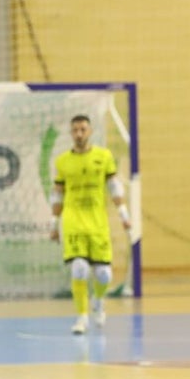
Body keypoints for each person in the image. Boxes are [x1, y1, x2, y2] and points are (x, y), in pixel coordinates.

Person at [49, 114, 131, 334]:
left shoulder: (103, 157)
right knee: (79, 269)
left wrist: (123, 213)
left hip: (97, 222)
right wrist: (54, 223)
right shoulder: (63, 161)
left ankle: (99, 300)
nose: (79, 134)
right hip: (73, 221)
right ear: (70, 133)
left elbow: (114, 187)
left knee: (104, 275)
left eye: (83, 129)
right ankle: (81, 318)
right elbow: (57, 194)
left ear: (90, 131)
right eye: (75, 130)